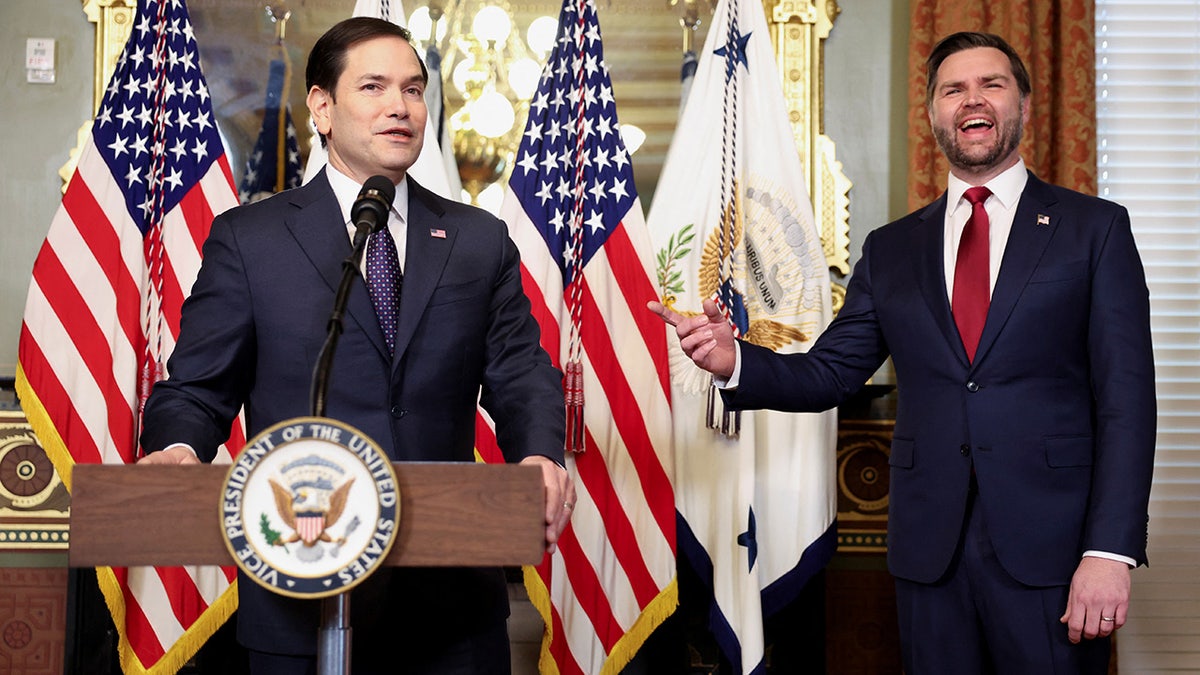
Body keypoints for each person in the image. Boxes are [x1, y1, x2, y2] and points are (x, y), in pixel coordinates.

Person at [650, 31, 1155, 674]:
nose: (973, 99)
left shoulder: (1095, 229)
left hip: (1055, 557)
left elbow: (1127, 406)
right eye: (953, 89)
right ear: (934, 115)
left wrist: (1109, 552)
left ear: (1024, 105)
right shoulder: (892, 250)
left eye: (992, 84)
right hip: (929, 557)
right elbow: (830, 374)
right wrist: (735, 361)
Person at [139, 17, 574, 675]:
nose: (399, 106)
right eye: (373, 87)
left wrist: (540, 452)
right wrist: (176, 448)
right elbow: (198, 387)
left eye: (413, 89)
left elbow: (519, 370)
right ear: (321, 106)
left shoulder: (477, 239)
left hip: (452, 609)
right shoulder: (249, 241)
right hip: (299, 591)